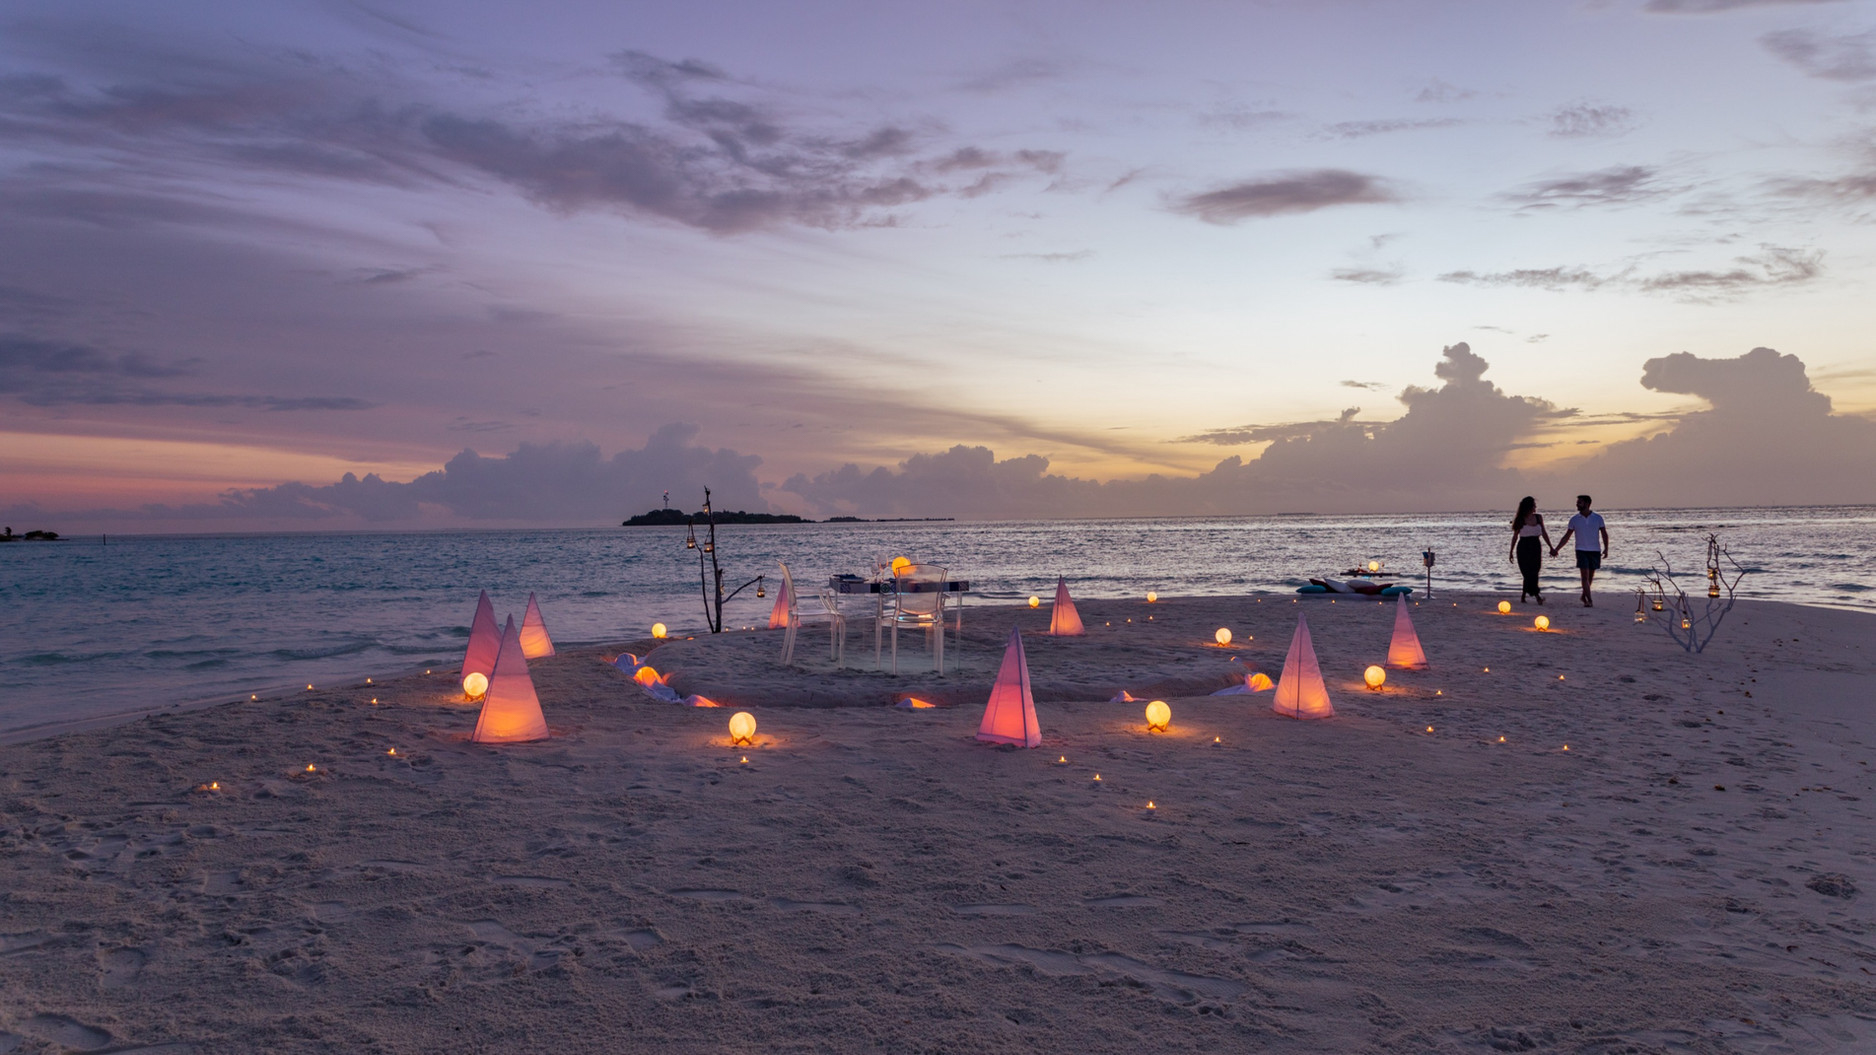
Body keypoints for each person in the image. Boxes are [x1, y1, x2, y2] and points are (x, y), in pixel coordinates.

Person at [1552, 494, 1609, 607]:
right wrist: (1556, 549)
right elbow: (1566, 536)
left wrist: (1606, 548)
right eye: (1577, 502)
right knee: (1584, 577)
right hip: (1581, 550)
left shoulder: (1598, 518)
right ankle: (1589, 600)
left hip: (1594, 550)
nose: (1577, 504)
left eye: (1580, 502)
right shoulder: (1574, 520)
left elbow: (1604, 534)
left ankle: (1584, 595)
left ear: (1587, 504)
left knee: (1590, 577)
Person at [1508, 496, 1553, 604]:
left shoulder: (1538, 517)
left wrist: (1551, 547)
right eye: (1533, 505)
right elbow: (1515, 537)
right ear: (1528, 507)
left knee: (1534, 572)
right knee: (1527, 573)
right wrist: (1511, 552)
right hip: (1523, 547)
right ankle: (1537, 596)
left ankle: (1524, 595)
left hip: (1536, 546)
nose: (1535, 507)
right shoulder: (1520, 519)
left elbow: (1544, 533)